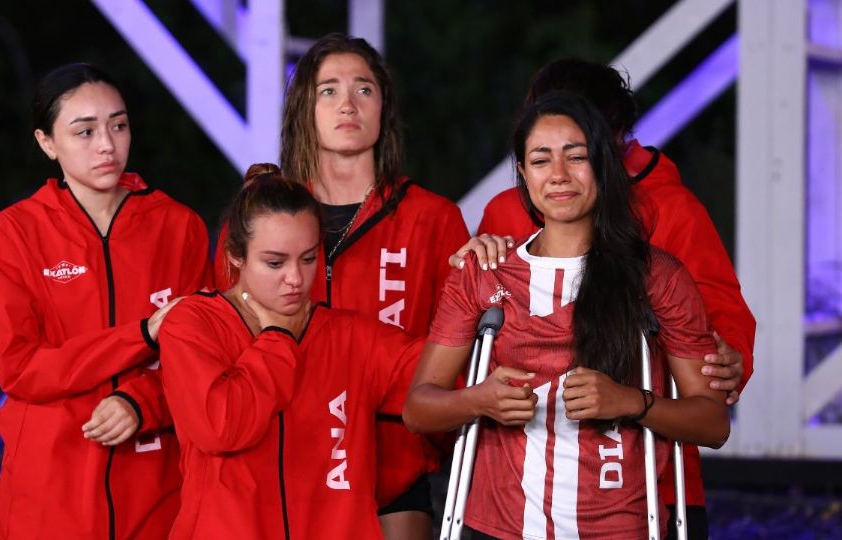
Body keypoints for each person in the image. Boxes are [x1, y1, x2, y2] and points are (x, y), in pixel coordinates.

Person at [404, 91, 730, 539]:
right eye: (540, 161)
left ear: (603, 165)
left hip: (618, 525)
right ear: (522, 172)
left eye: (575, 157)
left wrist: (632, 402)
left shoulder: (657, 276)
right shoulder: (483, 272)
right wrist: (479, 400)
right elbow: (418, 409)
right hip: (498, 526)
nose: (558, 176)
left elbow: (712, 424)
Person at [213, 33, 470, 538]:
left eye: (364, 89)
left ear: (384, 108)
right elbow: (222, 344)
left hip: (394, 473)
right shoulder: (259, 219)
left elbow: (457, 357)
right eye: (328, 90)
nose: (347, 104)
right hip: (281, 467)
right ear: (303, 108)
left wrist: (426, 443)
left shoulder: (433, 219)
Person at [0, 63, 211, 539]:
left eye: (118, 125)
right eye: (84, 131)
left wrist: (142, 403)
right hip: (47, 489)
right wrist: (142, 334)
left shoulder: (179, 226)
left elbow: (203, 361)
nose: (107, 144)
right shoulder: (14, 233)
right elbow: (19, 367)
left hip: (154, 485)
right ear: (46, 143)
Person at [159, 164, 424, 539]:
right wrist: (278, 338)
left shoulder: (349, 335)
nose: (296, 279)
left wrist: (479, 288)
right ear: (236, 255)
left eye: (308, 258)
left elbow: (444, 374)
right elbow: (221, 427)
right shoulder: (193, 324)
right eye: (275, 262)